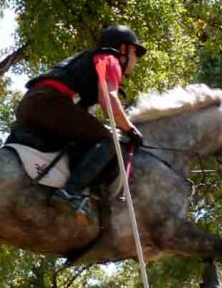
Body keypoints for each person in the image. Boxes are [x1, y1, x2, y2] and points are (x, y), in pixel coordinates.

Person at [9, 25, 147, 224]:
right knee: (108, 140)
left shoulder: (89, 61)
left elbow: (83, 112)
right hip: (50, 102)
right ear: (123, 49)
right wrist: (130, 129)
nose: (135, 61)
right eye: (135, 53)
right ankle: (70, 192)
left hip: (31, 104)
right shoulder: (110, 59)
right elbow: (109, 101)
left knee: (86, 139)